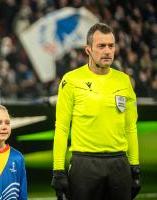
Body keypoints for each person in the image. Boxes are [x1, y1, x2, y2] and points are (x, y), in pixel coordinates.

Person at [51, 23, 141, 200]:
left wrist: (135, 167)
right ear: (88, 49)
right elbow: (61, 128)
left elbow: (131, 128)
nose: (107, 51)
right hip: (84, 164)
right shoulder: (71, 80)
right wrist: (58, 170)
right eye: (101, 46)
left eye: (111, 45)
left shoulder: (124, 81)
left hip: (119, 164)